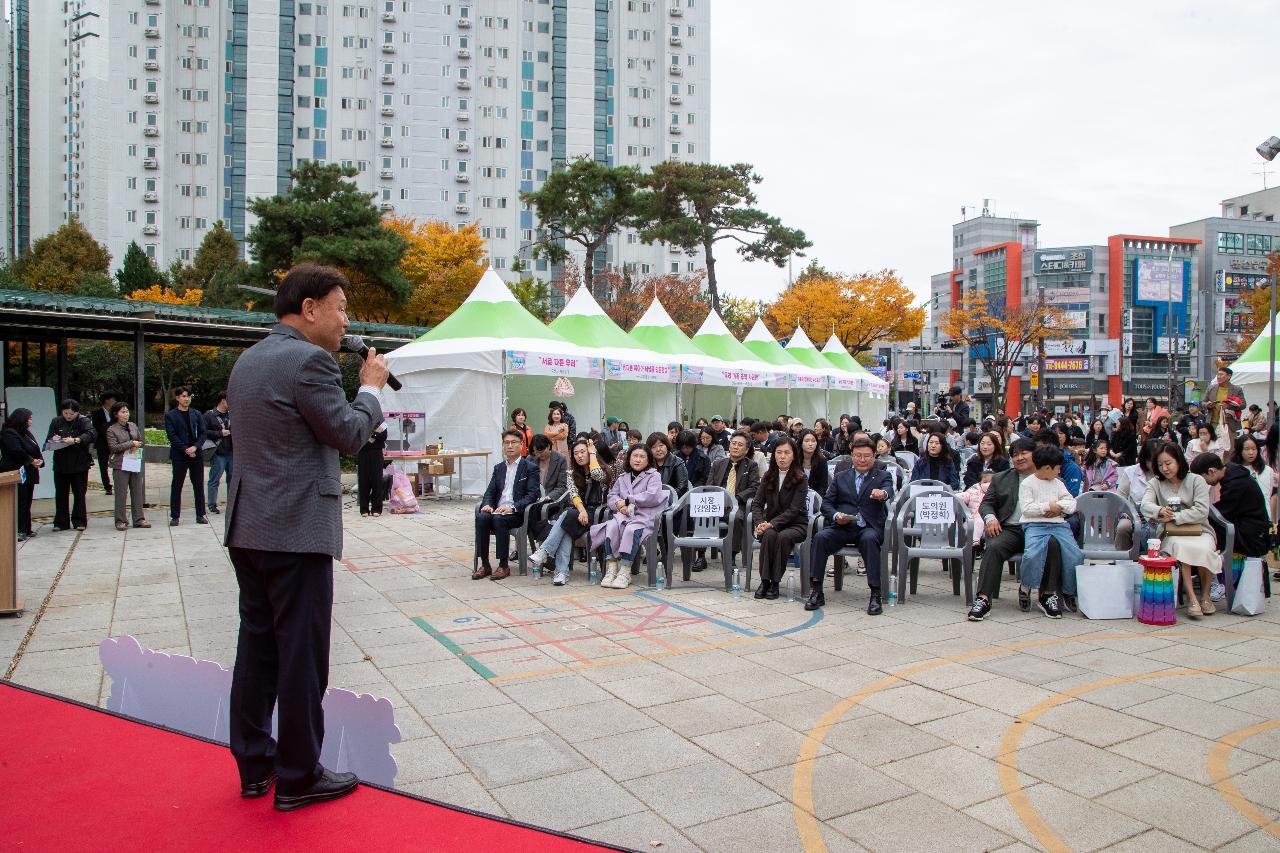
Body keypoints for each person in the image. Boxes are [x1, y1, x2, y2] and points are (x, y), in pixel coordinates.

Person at [224, 262, 387, 811]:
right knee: (301, 656)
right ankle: (298, 775)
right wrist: (369, 391)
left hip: (250, 526)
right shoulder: (309, 361)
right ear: (310, 308)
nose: (345, 321)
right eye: (340, 308)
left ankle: (254, 763)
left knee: (257, 649)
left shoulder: (250, 359)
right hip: (296, 530)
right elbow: (345, 433)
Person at [967, 438, 1066, 622]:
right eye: (1015, 455)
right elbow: (986, 504)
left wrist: (1058, 509)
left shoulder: (1049, 476)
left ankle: (1047, 595)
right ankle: (983, 598)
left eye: (1023, 453)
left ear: (1034, 454)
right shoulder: (1001, 478)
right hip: (1011, 529)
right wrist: (991, 518)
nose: (1019, 458)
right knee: (994, 547)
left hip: (1040, 528)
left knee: (1052, 544)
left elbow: (1066, 501)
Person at [806, 437, 894, 614]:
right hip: (843, 526)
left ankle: (875, 594)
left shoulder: (882, 475)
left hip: (868, 527)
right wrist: (836, 515)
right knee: (820, 537)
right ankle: (816, 590)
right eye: (858, 456)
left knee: (869, 539)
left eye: (867, 456)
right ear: (852, 456)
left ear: (874, 456)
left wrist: (881, 494)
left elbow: (888, 491)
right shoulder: (840, 477)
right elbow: (826, 505)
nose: (862, 460)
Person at [1140, 441, 1222, 618]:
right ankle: (1192, 598)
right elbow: (1145, 505)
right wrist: (1160, 510)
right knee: (1181, 547)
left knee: (1205, 548)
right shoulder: (1155, 483)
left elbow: (1201, 511)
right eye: (1160, 465)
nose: (1165, 468)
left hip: (1199, 530)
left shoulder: (1196, 480)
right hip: (1172, 533)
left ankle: (1206, 595)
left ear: (1178, 461)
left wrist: (1176, 516)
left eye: (1168, 463)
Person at [530, 438, 615, 585]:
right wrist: (581, 511)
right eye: (576, 453)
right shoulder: (571, 473)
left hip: (597, 515)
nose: (580, 456)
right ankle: (561, 573)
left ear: (590, 452)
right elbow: (574, 494)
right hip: (579, 513)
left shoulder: (605, 470)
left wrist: (593, 453)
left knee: (566, 517)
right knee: (567, 525)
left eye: (583, 452)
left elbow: (595, 474)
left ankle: (547, 554)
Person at [1017, 445, 1083, 617]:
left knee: (1075, 554)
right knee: (1032, 554)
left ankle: (1069, 591)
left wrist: (1057, 507)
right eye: (1058, 467)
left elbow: (1072, 503)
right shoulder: (1027, 483)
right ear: (1047, 468)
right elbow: (1027, 509)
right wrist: (1047, 506)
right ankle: (1026, 586)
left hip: (1059, 524)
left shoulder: (1058, 483)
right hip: (1034, 525)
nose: (1059, 470)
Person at [591, 444, 667, 589]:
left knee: (631, 530)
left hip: (644, 517)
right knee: (611, 526)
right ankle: (612, 568)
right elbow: (612, 495)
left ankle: (625, 571)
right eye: (635, 456)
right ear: (629, 458)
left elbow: (652, 496)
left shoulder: (654, 475)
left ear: (648, 460)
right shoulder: (623, 477)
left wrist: (628, 500)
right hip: (624, 515)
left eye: (642, 456)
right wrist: (619, 505)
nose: (638, 460)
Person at [1191, 453, 1273, 584]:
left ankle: (1206, 574)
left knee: (1207, 533)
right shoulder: (1233, 475)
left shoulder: (1236, 484)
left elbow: (1222, 513)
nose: (1203, 483)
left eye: (1202, 478)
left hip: (1252, 535)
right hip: (1248, 527)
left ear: (1211, 471)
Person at [472, 429, 540, 580]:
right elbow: (490, 491)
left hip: (517, 513)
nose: (509, 446)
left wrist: (512, 507)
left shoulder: (530, 468)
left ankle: (503, 565)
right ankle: (485, 564)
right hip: (498, 510)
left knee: (499, 519)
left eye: (513, 442)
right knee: (482, 517)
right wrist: (488, 504)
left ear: (522, 445)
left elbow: (533, 495)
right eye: (506, 443)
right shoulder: (499, 468)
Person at [750, 436, 810, 600]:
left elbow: (794, 510)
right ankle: (764, 581)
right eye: (779, 452)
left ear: (794, 455)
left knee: (783, 537)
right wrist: (760, 523)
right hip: (770, 523)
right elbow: (757, 504)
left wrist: (772, 524)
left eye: (786, 453)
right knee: (769, 536)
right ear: (774, 455)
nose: (782, 457)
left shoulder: (801, 479)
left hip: (795, 524)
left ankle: (775, 582)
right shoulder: (768, 476)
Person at [701, 431, 762, 571]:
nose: (735, 447)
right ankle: (701, 555)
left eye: (740, 445)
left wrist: (735, 498)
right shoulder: (718, 464)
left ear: (746, 449)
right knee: (702, 513)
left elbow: (754, 487)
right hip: (716, 503)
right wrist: (717, 500)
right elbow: (709, 486)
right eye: (733, 443)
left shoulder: (751, 466)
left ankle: (731, 555)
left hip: (736, 504)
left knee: (737, 517)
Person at [45, 399, 96, 532]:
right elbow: (49, 438)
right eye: (65, 413)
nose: (68, 416)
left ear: (77, 412)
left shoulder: (83, 421)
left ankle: (79, 520)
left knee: (79, 493)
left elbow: (91, 434)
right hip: (60, 463)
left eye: (71, 414)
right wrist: (54, 439)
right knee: (61, 493)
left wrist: (76, 440)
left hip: (79, 463)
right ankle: (61, 522)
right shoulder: (56, 421)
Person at [164, 386, 208, 526]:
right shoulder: (170, 415)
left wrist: (195, 447)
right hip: (180, 455)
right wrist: (185, 449)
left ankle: (200, 514)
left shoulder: (196, 414)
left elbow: (203, 433)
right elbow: (172, 436)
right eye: (183, 396)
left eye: (188, 396)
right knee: (177, 485)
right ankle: (175, 516)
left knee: (198, 485)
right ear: (177, 398)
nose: (186, 399)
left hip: (196, 454)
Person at [0, 409, 43, 541]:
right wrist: (31, 460)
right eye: (28, 419)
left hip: (29, 471)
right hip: (16, 470)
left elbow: (34, 448)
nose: (30, 421)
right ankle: (19, 529)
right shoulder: (9, 433)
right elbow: (16, 450)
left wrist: (39, 460)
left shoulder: (25, 433)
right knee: (19, 500)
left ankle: (26, 527)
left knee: (27, 501)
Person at [106, 402, 149, 531]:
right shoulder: (111, 429)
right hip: (120, 464)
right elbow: (113, 447)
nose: (126, 414)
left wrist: (137, 445)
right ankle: (120, 520)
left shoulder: (133, 426)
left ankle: (139, 518)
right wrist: (130, 443)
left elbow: (140, 440)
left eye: (127, 411)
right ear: (116, 414)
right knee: (121, 493)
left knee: (137, 491)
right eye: (122, 412)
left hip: (133, 461)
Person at [1232, 435, 1278, 525]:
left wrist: (1274, 527)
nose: (1251, 452)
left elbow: (1271, 498)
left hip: (1265, 521)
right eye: (1246, 449)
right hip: (1243, 522)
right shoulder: (1232, 471)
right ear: (1239, 450)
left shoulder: (1267, 471)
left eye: (1254, 449)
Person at [204, 390, 233, 514]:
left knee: (232, 480)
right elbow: (203, 432)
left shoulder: (231, 415)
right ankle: (212, 504)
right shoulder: (209, 415)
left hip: (232, 452)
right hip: (218, 453)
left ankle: (231, 504)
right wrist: (220, 433)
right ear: (223, 400)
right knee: (214, 479)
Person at [356, 422, 388, 517]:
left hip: (376, 452)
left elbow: (383, 436)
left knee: (377, 480)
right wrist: (374, 434)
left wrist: (372, 436)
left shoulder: (381, 423)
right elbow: (358, 434)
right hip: (362, 452)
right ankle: (364, 509)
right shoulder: (361, 419)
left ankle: (376, 508)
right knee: (363, 480)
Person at [1205, 367, 1245, 440]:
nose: (1218, 376)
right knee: (1212, 447)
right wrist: (1208, 405)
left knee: (1229, 449)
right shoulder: (1211, 388)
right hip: (1213, 423)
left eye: (1221, 374)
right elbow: (1202, 402)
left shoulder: (1237, 389)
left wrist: (1228, 406)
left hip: (1229, 423)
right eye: (1218, 374)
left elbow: (1243, 405)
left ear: (1229, 376)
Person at [530, 433, 569, 506]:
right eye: (536, 452)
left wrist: (548, 497)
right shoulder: (530, 459)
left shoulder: (560, 460)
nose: (539, 455)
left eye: (541, 452)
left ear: (548, 446)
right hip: (533, 500)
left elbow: (562, 486)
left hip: (552, 501)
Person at [91, 392, 117, 496]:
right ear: (107, 400)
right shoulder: (96, 413)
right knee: (103, 466)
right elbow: (98, 427)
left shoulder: (115, 412)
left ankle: (119, 484)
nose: (114, 401)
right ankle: (107, 486)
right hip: (102, 443)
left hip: (114, 442)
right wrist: (110, 428)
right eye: (113, 399)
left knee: (117, 464)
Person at [647, 432, 689, 497]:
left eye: (661, 445)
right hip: (651, 501)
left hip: (673, 502)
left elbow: (682, 488)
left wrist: (663, 498)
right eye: (653, 447)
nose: (658, 449)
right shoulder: (647, 463)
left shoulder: (677, 462)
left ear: (667, 446)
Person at [797, 428, 829, 499]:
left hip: (816, 497)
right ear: (801, 443)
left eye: (813, 441)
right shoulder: (795, 460)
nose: (810, 444)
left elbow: (823, 486)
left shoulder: (822, 460)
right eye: (807, 441)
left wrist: (815, 499)